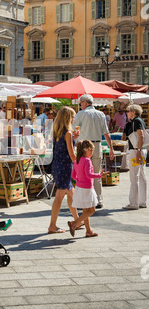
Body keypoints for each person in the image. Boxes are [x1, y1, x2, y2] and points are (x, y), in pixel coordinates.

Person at [73, 94, 114, 209]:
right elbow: (106, 133)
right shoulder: (101, 114)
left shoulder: (81, 114)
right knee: (97, 173)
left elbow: (73, 129)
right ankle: (98, 200)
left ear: (85, 102)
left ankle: (84, 200)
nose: (80, 105)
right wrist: (111, 149)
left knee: (82, 174)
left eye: (80, 103)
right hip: (96, 145)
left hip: (84, 146)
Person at [48, 106, 80, 234]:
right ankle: (52, 225)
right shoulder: (68, 133)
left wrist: (74, 140)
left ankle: (77, 220)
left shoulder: (58, 131)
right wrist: (81, 163)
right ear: (68, 118)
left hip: (57, 165)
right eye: (72, 117)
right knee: (60, 197)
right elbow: (72, 155)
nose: (73, 119)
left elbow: (63, 148)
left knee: (71, 194)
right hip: (64, 167)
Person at [68, 140, 109, 238]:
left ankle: (88, 231)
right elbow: (89, 174)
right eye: (92, 150)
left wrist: (80, 180)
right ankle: (75, 223)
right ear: (87, 150)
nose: (92, 153)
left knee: (86, 210)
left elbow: (73, 175)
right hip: (87, 188)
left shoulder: (77, 160)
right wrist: (99, 175)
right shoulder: (87, 160)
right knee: (91, 210)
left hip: (79, 188)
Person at [121, 104, 147, 210]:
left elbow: (141, 135)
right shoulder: (140, 120)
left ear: (133, 112)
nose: (126, 113)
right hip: (141, 150)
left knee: (134, 177)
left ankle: (133, 203)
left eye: (127, 111)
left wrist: (138, 151)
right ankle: (142, 202)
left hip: (136, 151)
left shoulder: (136, 121)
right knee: (141, 175)